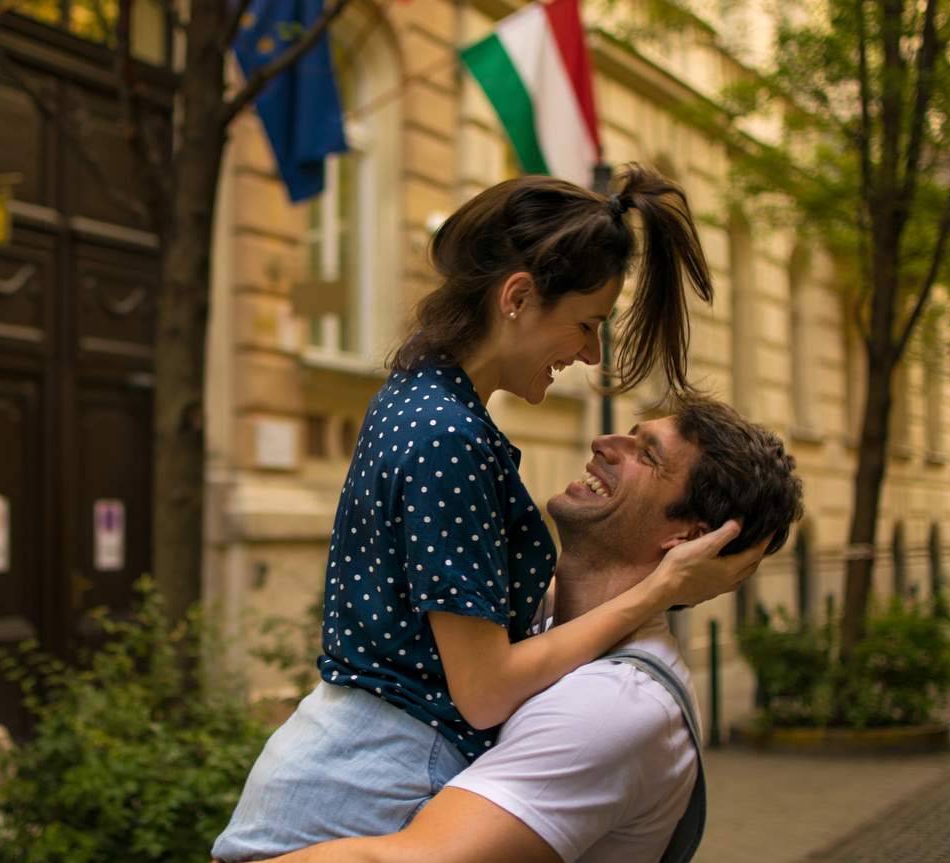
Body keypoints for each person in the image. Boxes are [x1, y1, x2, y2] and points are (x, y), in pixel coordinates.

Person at [212, 167, 768, 862]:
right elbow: (483, 691)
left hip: (343, 761)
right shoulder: (450, 438)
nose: (589, 353)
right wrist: (660, 590)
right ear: (517, 297)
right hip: (369, 779)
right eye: (586, 323)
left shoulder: (416, 394)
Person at [261, 396, 805, 863]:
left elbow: (418, 858)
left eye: (647, 454)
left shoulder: (615, 705)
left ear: (689, 537)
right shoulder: (539, 627)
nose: (603, 441)